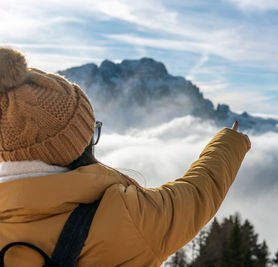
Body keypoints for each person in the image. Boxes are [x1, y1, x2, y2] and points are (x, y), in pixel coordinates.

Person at [0, 47, 251, 266]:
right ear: (78, 145)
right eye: (91, 131)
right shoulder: (131, 219)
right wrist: (230, 142)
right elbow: (198, 193)